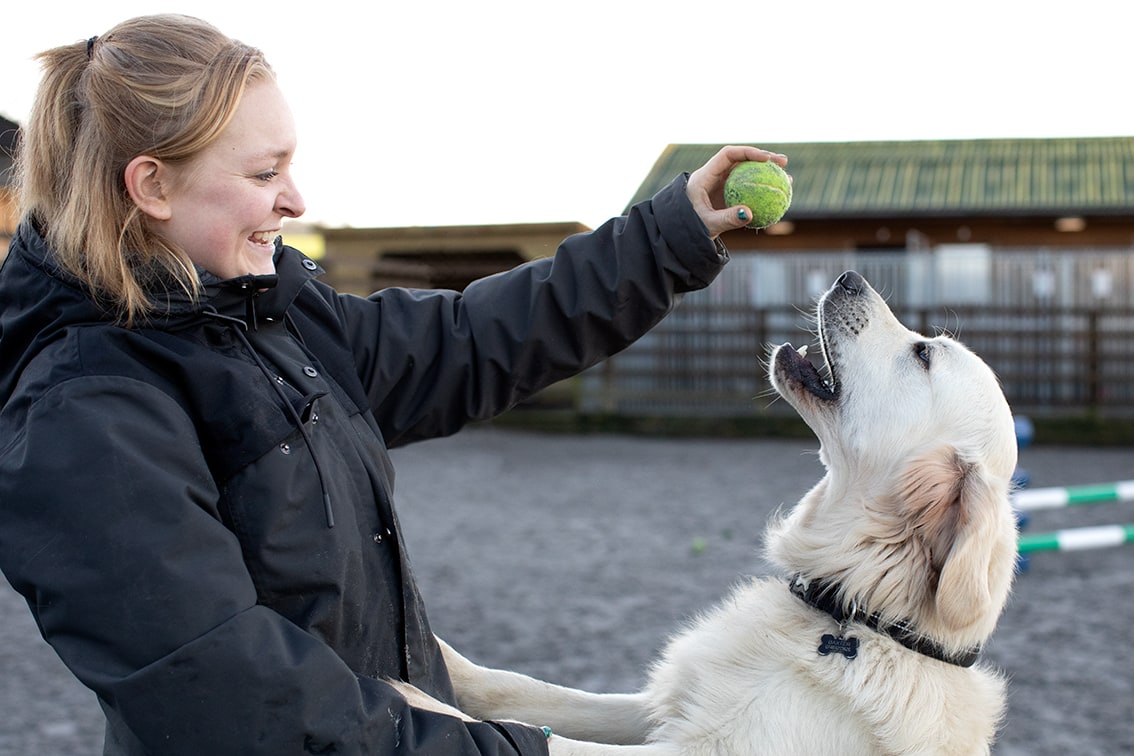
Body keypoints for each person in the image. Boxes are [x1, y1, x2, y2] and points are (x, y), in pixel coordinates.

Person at [0, 14, 786, 756]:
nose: (296, 199)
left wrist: (668, 234)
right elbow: (232, 693)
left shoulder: (273, 318)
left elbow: (469, 340)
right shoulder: (82, 414)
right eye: (265, 171)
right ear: (152, 187)